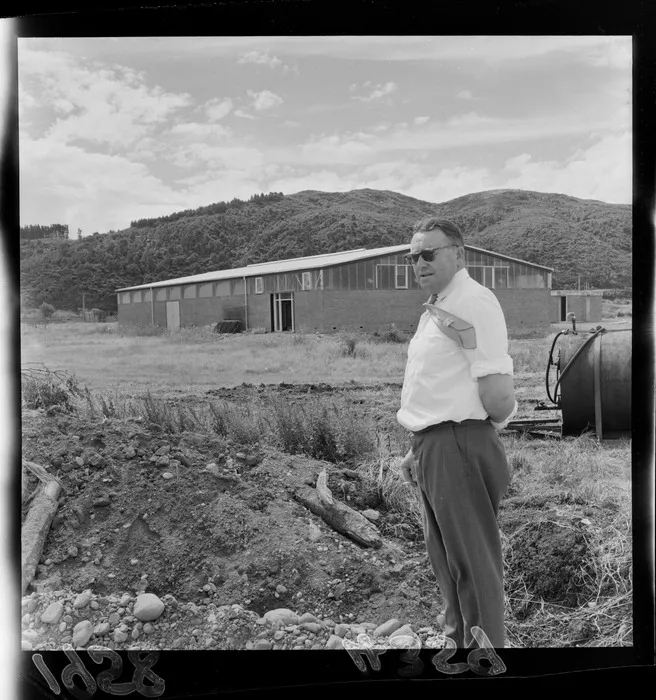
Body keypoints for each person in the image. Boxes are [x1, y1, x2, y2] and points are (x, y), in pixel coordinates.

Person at [396, 217, 517, 649]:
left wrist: (464, 437)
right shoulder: (440, 304)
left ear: (459, 253)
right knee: (449, 565)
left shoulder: (472, 302)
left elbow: (498, 394)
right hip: (437, 446)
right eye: (414, 256)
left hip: (459, 445)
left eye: (429, 253)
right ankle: (460, 650)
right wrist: (422, 447)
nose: (419, 262)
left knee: (473, 567)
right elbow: (442, 387)